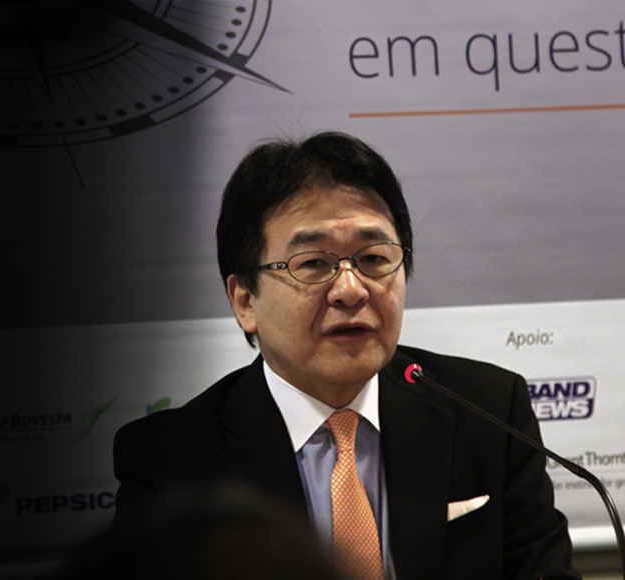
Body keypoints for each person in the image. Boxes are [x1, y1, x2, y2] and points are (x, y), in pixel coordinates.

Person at [111, 132, 579, 580]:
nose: (351, 290)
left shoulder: (489, 413)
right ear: (245, 300)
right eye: (314, 263)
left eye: (374, 258)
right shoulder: (173, 461)